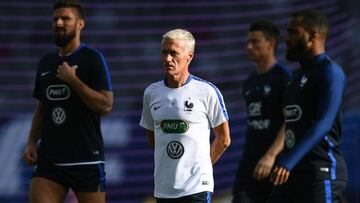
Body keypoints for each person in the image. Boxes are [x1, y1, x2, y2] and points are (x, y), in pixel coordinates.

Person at [23, 1, 113, 203]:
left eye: (66, 18)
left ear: (80, 24)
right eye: (55, 19)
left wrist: (73, 81)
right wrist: (31, 141)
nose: (59, 23)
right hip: (50, 160)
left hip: (86, 158)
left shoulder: (93, 59)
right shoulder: (46, 62)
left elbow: (106, 106)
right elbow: (42, 107)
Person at [139, 29, 231, 202]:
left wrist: (203, 167)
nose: (167, 59)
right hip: (163, 188)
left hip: (196, 187)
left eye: (174, 53)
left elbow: (224, 138)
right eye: (164, 52)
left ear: (189, 56)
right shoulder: (151, 93)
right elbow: (153, 138)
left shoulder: (207, 91)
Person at [268, 9, 347, 203]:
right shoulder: (295, 77)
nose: (287, 39)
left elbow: (323, 124)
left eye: (293, 32)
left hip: (319, 171)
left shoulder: (330, 72)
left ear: (312, 35)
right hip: (291, 172)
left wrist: (287, 161)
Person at [232, 20, 290, 203]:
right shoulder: (249, 82)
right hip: (249, 163)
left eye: (255, 41)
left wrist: (271, 155)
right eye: (248, 41)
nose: (249, 46)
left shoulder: (283, 78)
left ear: (270, 43)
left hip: (275, 165)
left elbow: (291, 122)